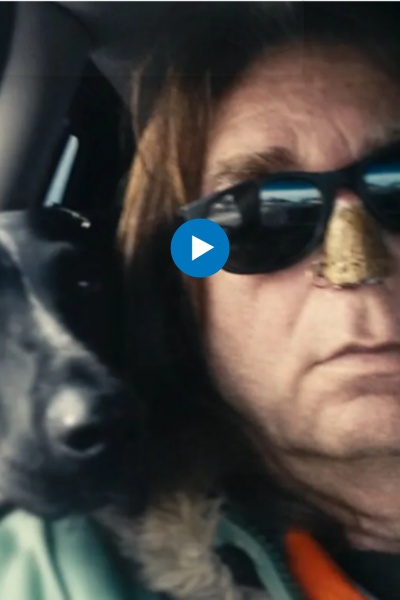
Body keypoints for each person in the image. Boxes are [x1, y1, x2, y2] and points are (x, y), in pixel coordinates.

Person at [3, 3, 400, 600]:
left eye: (396, 187)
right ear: (181, 294)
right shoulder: (70, 574)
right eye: (256, 218)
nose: (357, 268)